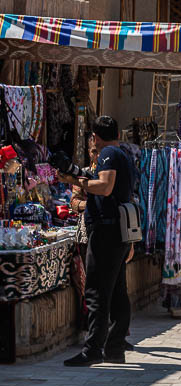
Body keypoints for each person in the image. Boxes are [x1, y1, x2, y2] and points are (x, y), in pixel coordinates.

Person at [64, 116, 133, 367]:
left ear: (95, 136)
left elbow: (104, 186)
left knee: (96, 293)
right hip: (117, 232)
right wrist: (77, 176)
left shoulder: (108, 154)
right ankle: (114, 348)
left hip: (106, 232)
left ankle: (93, 349)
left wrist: (73, 181)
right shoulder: (122, 154)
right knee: (115, 292)